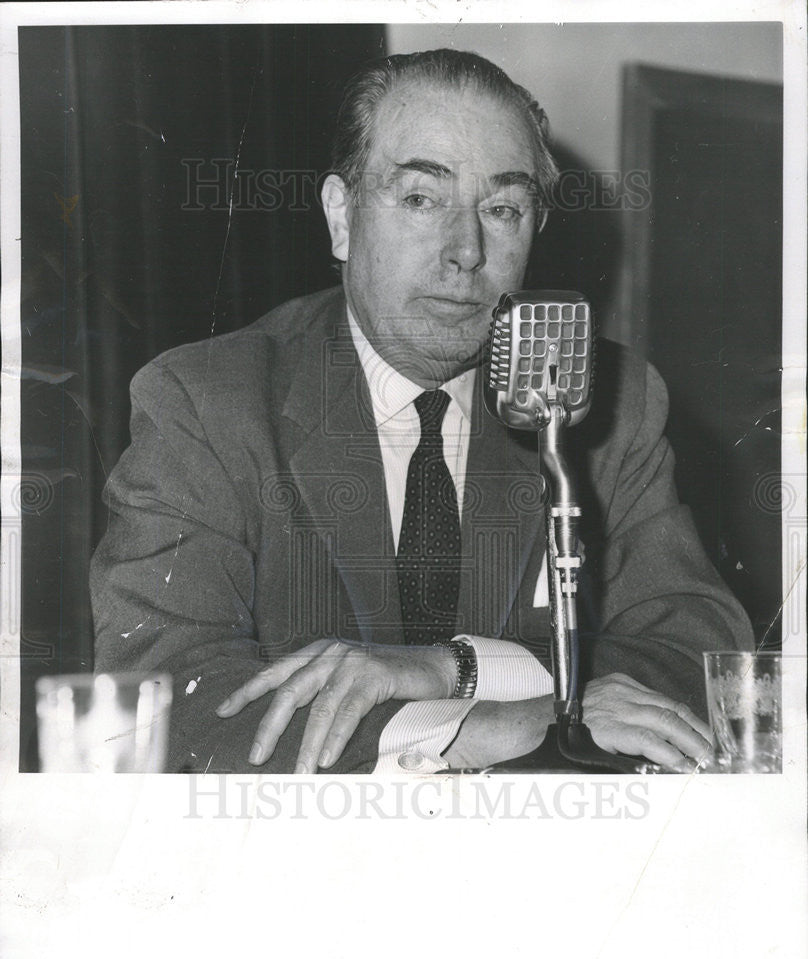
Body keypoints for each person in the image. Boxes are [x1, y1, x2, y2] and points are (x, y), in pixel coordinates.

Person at [90, 48, 753, 774]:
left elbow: (698, 651)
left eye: (502, 209)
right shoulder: (207, 401)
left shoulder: (609, 401)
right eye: (420, 199)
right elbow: (161, 694)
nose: (466, 251)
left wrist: (453, 669)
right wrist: (467, 727)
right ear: (341, 218)